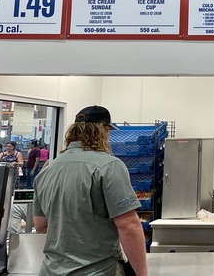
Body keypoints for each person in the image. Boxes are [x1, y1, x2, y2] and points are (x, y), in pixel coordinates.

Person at [32, 105, 147, 276]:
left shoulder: (48, 169)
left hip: (51, 270)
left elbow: (40, 225)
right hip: (98, 270)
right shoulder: (109, 166)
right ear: (102, 130)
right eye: (108, 131)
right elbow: (128, 226)